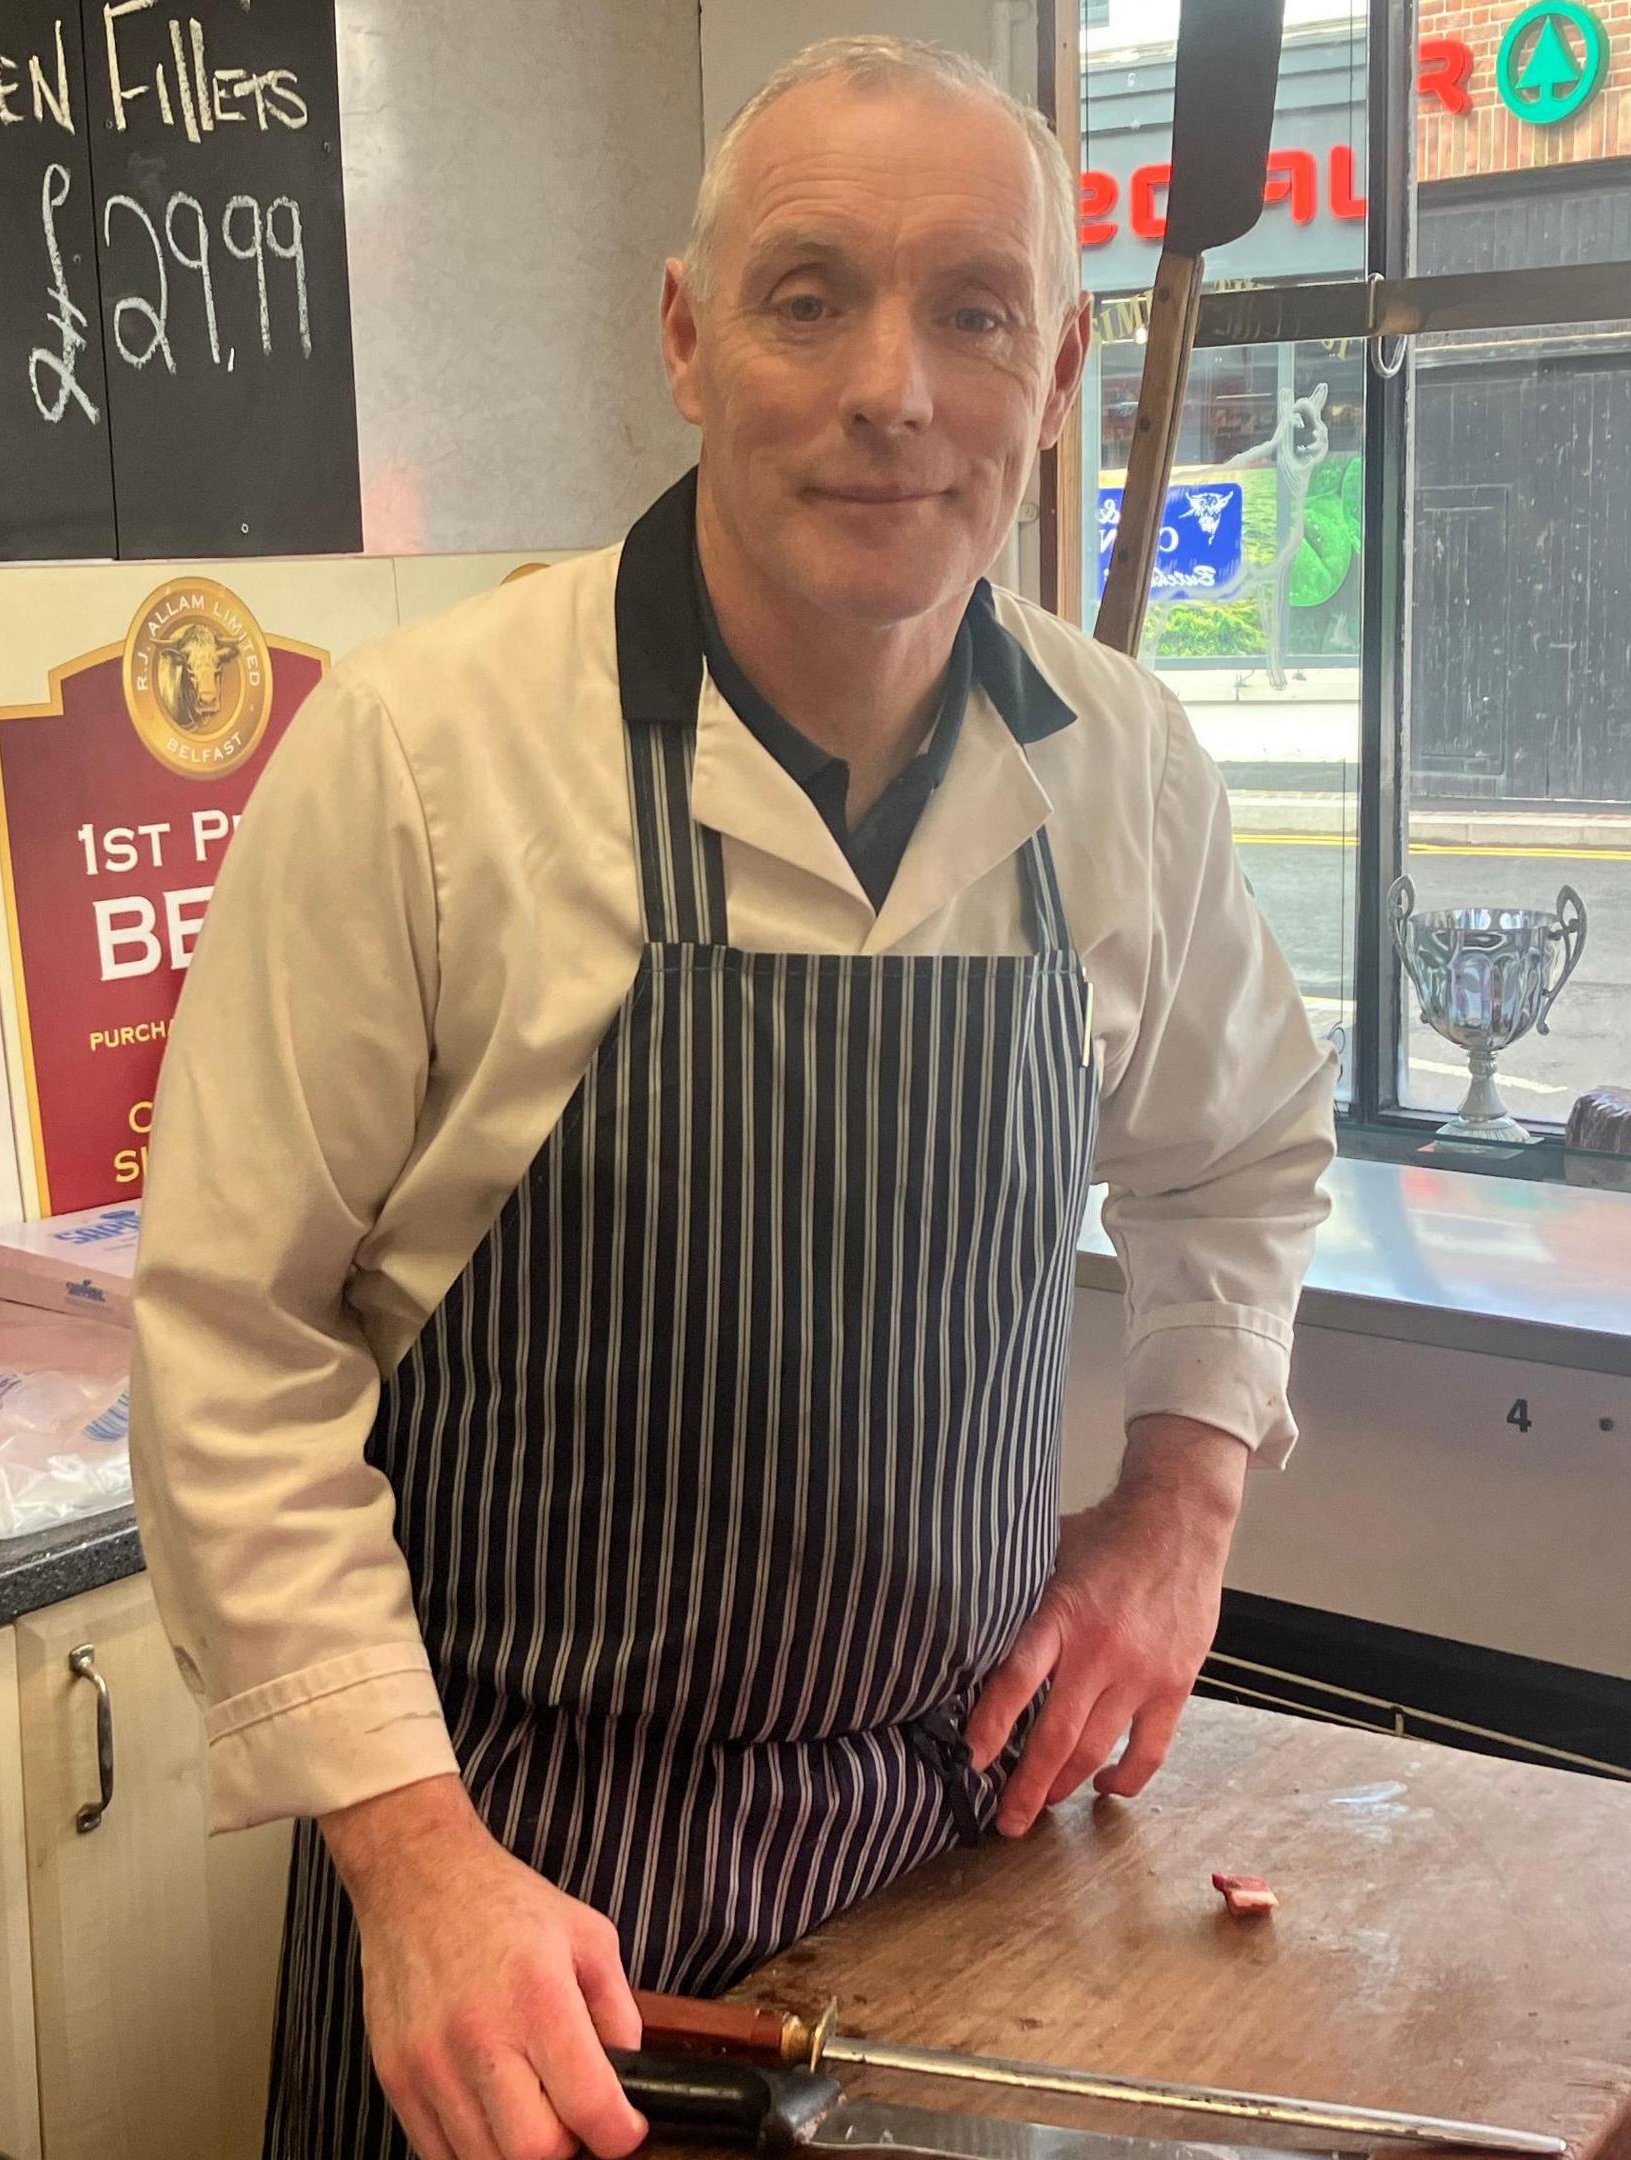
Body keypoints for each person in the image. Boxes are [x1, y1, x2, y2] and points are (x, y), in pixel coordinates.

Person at [131, 36, 1339, 2160]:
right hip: (518, 1913)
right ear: (689, 340)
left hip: (957, 1863)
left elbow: (1238, 1161)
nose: (896, 388)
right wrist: (413, 1869)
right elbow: (235, 1349)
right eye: (810, 296)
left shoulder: (1124, 769)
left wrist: (1179, 1509)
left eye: (973, 312)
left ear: (1057, 371)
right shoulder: (426, 763)